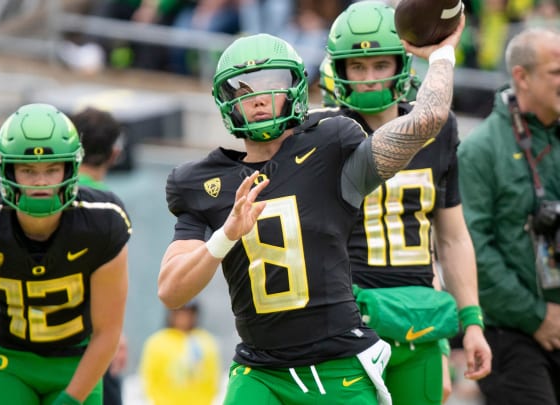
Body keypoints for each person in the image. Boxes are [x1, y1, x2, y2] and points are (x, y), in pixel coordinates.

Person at [158, 7, 465, 403]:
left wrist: (441, 56)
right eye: (244, 88)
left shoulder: (330, 147)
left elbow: (430, 118)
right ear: (226, 100)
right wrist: (225, 236)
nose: (260, 98)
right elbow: (170, 291)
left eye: (273, 83)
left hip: (340, 365)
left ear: (297, 88)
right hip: (261, 371)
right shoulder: (201, 181)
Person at [311, 2, 492, 404]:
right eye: (357, 67)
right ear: (339, 73)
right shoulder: (325, 136)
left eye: (380, 64)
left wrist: (471, 323)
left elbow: (452, 236)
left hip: (419, 317)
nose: (370, 78)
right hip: (349, 320)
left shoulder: (441, 130)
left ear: (402, 63)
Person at [0, 103, 132, 405]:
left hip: (76, 360)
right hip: (7, 357)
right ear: (7, 168)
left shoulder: (103, 220)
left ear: (71, 168)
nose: (41, 182)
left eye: (52, 169)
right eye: (28, 170)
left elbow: (108, 331)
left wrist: (70, 400)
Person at [457, 27, 560, 405]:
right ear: (522, 77)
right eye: (556, 72)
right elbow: (471, 249)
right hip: (507, 331)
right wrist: (537, 316)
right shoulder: (481, 150)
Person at [70, 106, 127, 405]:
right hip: (92, 341)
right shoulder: (108, 209)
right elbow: (108, 284)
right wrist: (116, 335)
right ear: (114, 154)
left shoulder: (41, 196)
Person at [138, 300, 221, 405]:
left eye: (188, 313)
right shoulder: (157, 342)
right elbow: (149, 379)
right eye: (180, 313)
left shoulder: (206, 341)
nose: (184, 318)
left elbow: (213, 380)